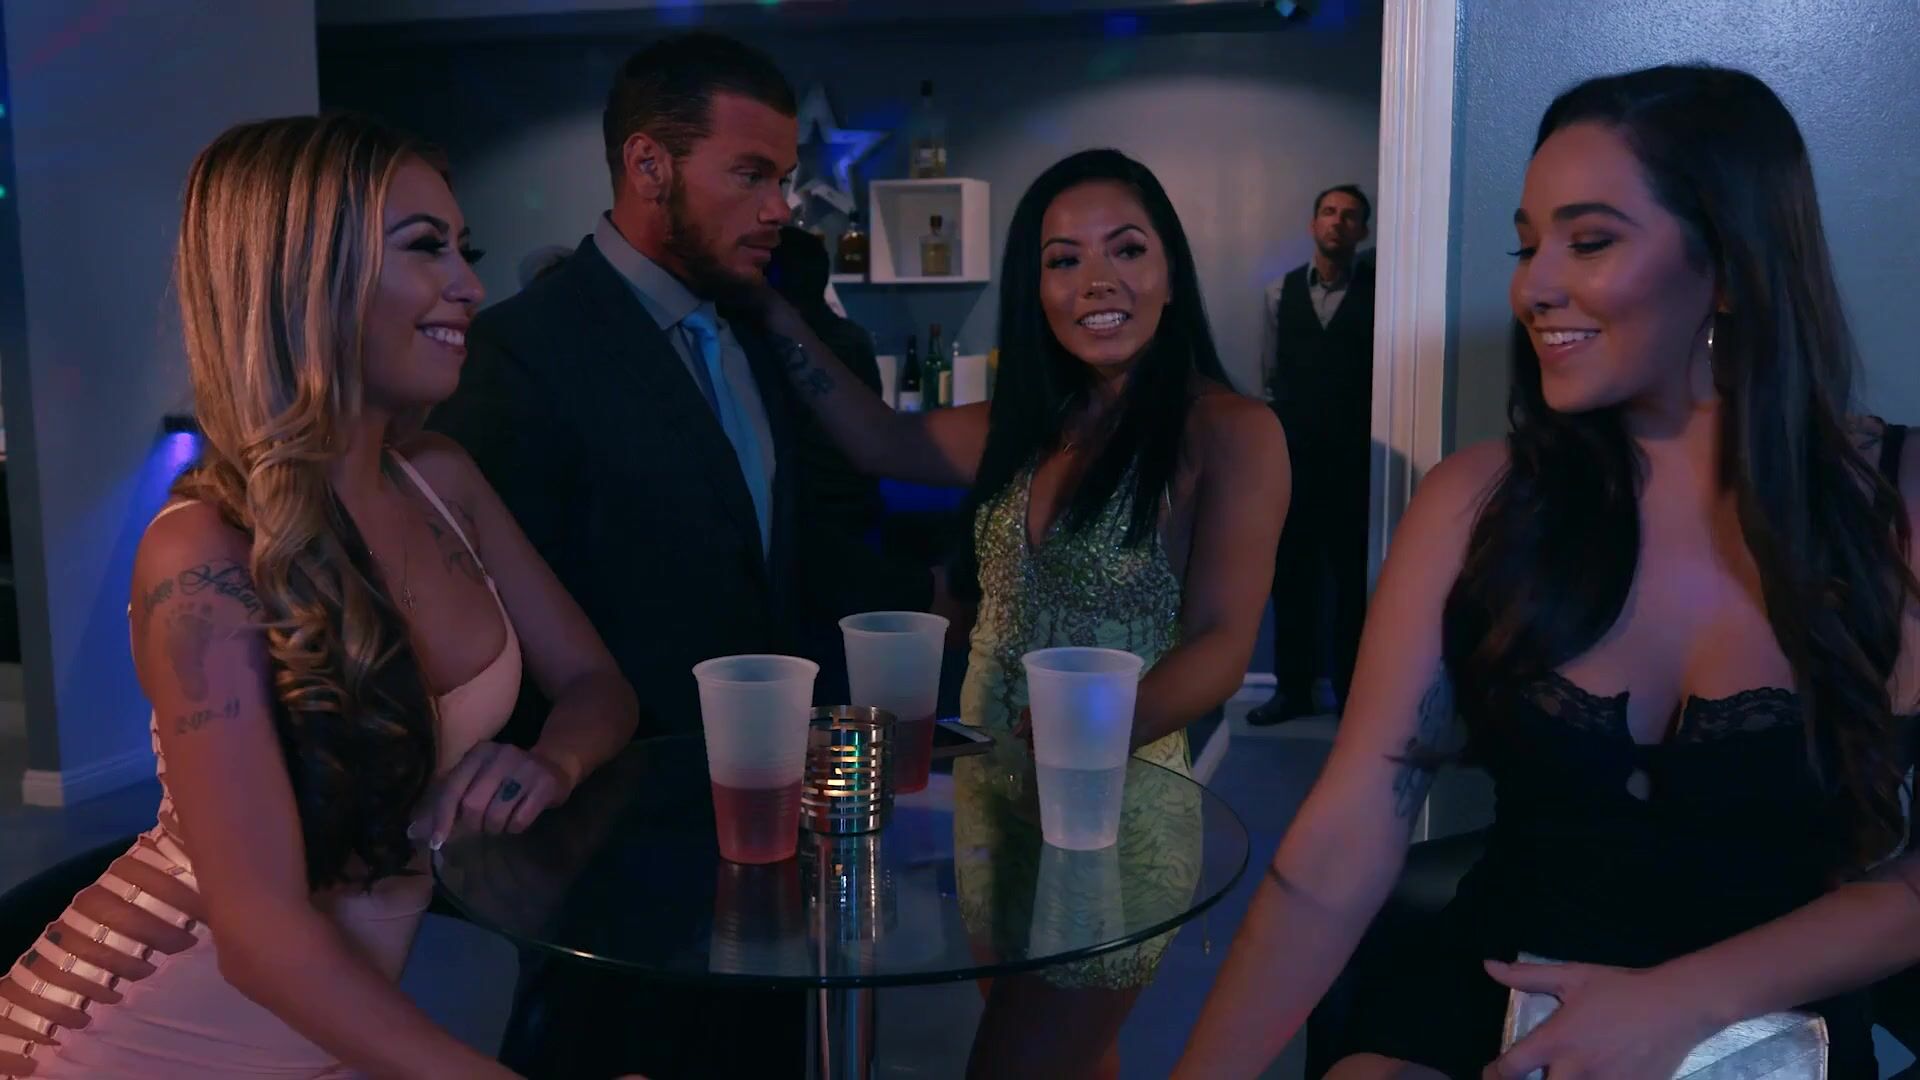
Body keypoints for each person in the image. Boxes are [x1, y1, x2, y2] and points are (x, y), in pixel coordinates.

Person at [1173, 64, 1920, 1080]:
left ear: (1732, 266)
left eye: (1591, 240)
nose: (1534, 286)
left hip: (1771, 1031)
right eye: (1528, 246)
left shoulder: (1896, 508)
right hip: (1486, 1008)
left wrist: (1680, 1003)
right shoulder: (1475, 503)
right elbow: (1341, 845)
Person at [0, 113, 638, 1078]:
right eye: (424, 247)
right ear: (306, 278)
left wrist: (552, 762)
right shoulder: (202, 551)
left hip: (336, 1035)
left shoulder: (442, 479)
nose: (470, 285)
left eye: (462, 250)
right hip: (132, 1041)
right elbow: (261, 938)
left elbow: (597, 684)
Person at [427, 31, 925, 1078]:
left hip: (770, 834)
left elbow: (792, 560)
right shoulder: (518, 354)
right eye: (750, 175)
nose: (781, 207)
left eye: (784, 177)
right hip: (610, 862)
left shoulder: (764, 327)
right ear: (650, 165)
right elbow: (499, 633)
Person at [759, 147, 1289, 1079]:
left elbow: (1222, 641)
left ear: (1171, 272)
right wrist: (766, 313)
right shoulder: (1025, 425)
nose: (1097, 281)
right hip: (992, 811)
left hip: (1111, 817)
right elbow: (877, 439)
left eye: (1127, 249)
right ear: (1035, 289)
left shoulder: (1229, 429)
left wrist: (1096, 728)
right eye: (1063, 260)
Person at [1252, 184, 1375, 725]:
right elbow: (1269, 380)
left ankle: (1353, 695)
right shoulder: (1278, 294)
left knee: (1353, 584)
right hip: (1295, 461)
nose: (1337, 222)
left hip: (1357, 463)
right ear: (1312, 224)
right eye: (1328, 212)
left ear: (1362, 231)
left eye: (1349, 216)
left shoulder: (1381, 293)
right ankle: (1291, 691)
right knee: (1292, 579)